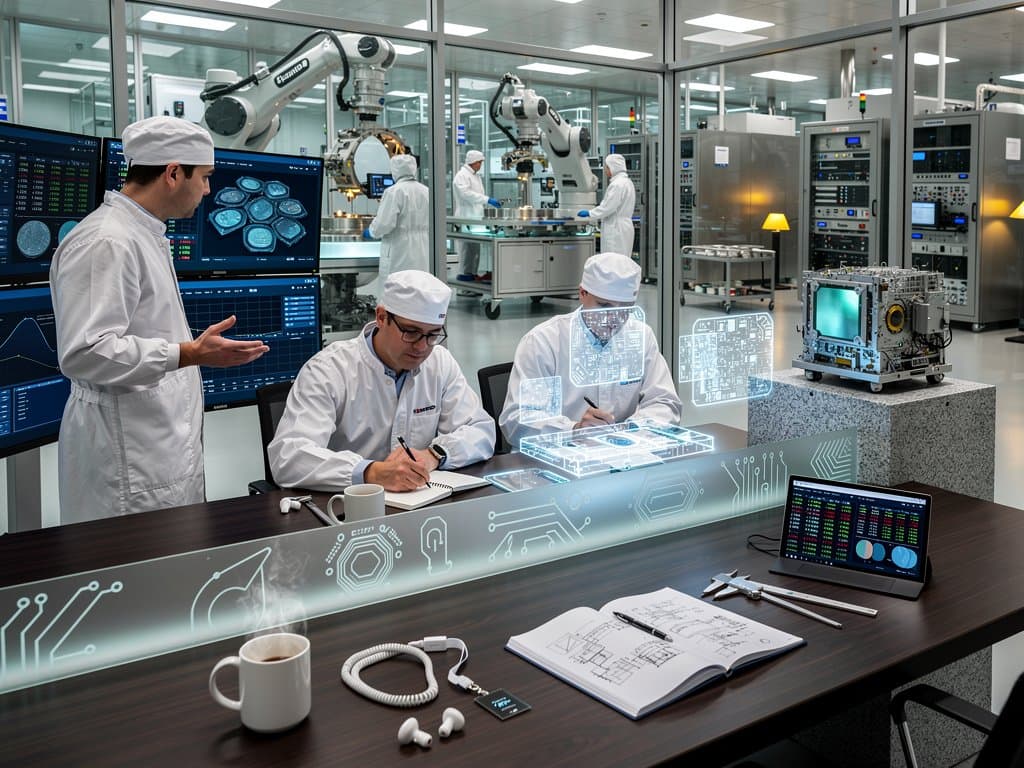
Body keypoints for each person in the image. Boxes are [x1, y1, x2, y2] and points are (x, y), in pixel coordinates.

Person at [50, 116, 269, 523]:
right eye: (203, 177)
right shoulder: (107, 241)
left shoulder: (143, 234)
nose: (207, 189)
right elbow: (85, 352)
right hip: (126, 466)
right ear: (173, 173)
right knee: (132, 579)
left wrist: (187, 355)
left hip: (155, 451)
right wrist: (188, 354)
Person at [269, 270, 495, 492]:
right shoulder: (329, 370)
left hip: (419, 502)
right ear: (381, 317)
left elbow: (481, 430)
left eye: (433, 334)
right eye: (411, 332)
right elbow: (289, 457)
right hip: (347, 507)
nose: (421, 346)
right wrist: (370, 473)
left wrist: (435, 454)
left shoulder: (439, 363)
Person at [499, 252, 682, 450]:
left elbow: (665, 402)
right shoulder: (544, 342)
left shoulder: (641, 336)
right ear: (582, 293)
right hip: (554, 456)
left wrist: (632, 430)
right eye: (604, 306)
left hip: (620, 455)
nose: (614, 319)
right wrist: (574, 430)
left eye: (625, 309)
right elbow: (517, 421)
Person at [363, 153, 430, 279]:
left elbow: (384, 224)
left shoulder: (394, 191)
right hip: (423, 247)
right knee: (419, 284)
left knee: (398, 287)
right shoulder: (426, 190)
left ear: (394, 170)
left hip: (400, 247)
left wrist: (371, 232)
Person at [452, 149, 501, 281]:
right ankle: (464, 278)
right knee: (466, 249)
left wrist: (486, 205)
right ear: (473, 162)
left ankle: (472, 275)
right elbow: (465, 194)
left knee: (475, 249)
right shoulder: (461, 175)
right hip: (465, 215)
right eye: (479, 162)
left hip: (475, 217)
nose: (481, 165)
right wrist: (487, 199)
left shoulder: (475, 175)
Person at [577, 154, 636, 257]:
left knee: (613, 260)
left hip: (616, 229)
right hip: (624, 228)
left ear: (613, 167)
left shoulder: (617, 185)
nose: (605, 170)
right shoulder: (627, 182)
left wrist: (590, 213)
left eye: (606, 167)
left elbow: (607, 208)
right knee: (623, 261)